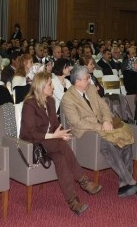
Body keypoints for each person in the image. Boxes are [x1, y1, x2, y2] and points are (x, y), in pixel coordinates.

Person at [20, 72, 101, 215]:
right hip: (33, 145)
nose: (52, 87)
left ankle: (73, 202)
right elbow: (30, 133)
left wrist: (62, 133)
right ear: (41, 86)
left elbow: (55, 123)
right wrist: (55, 136)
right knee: (61, 144)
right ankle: (83, 181)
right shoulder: (29, 104)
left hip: (51, 144)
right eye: (50, 84)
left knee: (61, 159)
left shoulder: (50, 101)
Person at [61, 65, 137, 198]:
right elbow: (77, 122)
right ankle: (131, 181)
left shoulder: (90, 89)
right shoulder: (68, 98)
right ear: (77, 81)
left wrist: (107, 120)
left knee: (125, 141)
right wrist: (100, 127)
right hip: (86, 134)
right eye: (87, 78)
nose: (90, 81)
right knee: (106, 144)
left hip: (102, 127)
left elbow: (104, 107)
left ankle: (124, 184)